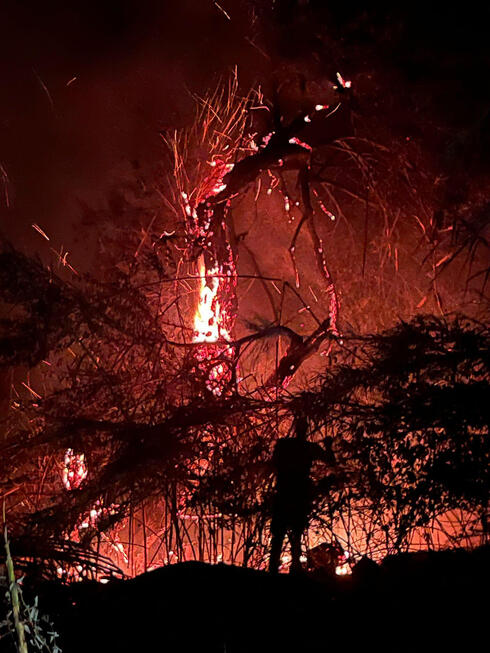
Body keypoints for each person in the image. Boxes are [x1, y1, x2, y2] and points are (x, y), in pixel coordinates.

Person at [268, 414, 336, 574]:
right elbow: (330, 461)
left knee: (279, 535)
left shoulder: (284, 445)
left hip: (284, 493)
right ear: (305, 430)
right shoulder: (308, 448)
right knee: (295, 535)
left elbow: (274, 462)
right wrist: (328, 446)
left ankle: (273, 571)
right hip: (298, 494)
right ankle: (294, 569)